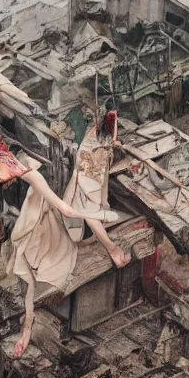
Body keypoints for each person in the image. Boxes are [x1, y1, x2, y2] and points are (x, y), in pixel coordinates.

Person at [0, 34, 119, 357]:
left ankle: (96, 228)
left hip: (10, 176)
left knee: (50, 197)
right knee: (52, 207)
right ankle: (28, 331)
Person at [64, 101, 131, 268]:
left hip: (94, 162)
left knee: (96, 199)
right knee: (89, 208)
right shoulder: (92, 145)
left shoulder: (101, 131)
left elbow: (111, 138)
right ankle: (111, 248)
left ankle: (106, 237)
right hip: (88, 167)